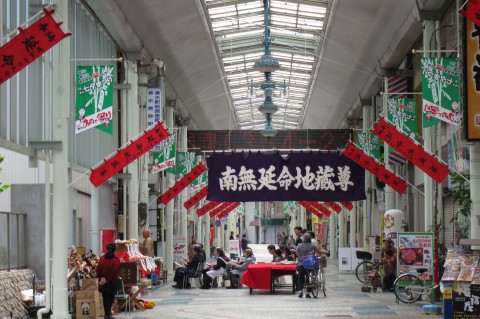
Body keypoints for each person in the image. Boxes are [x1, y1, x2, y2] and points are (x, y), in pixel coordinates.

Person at [296, 233, 324, 298]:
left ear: (303, 239)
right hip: (310, 264)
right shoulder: (312, 245)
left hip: (301, 264)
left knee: (300, 277)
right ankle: (308, 292)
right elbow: (319, 251)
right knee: (309, 277)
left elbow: (297, 253)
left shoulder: (299, 245)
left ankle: (300, 291)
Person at [96, 243, 120, 319]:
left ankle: (107, 314)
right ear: (115, 250)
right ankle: (108, 315)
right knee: (110, 299)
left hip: (103, 282)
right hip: (111, 282)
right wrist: (106, 280)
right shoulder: (115, 259)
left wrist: (102, 279)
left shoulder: (102, 258)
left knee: (104, 298)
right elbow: (114, 271)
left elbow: (98, 269)